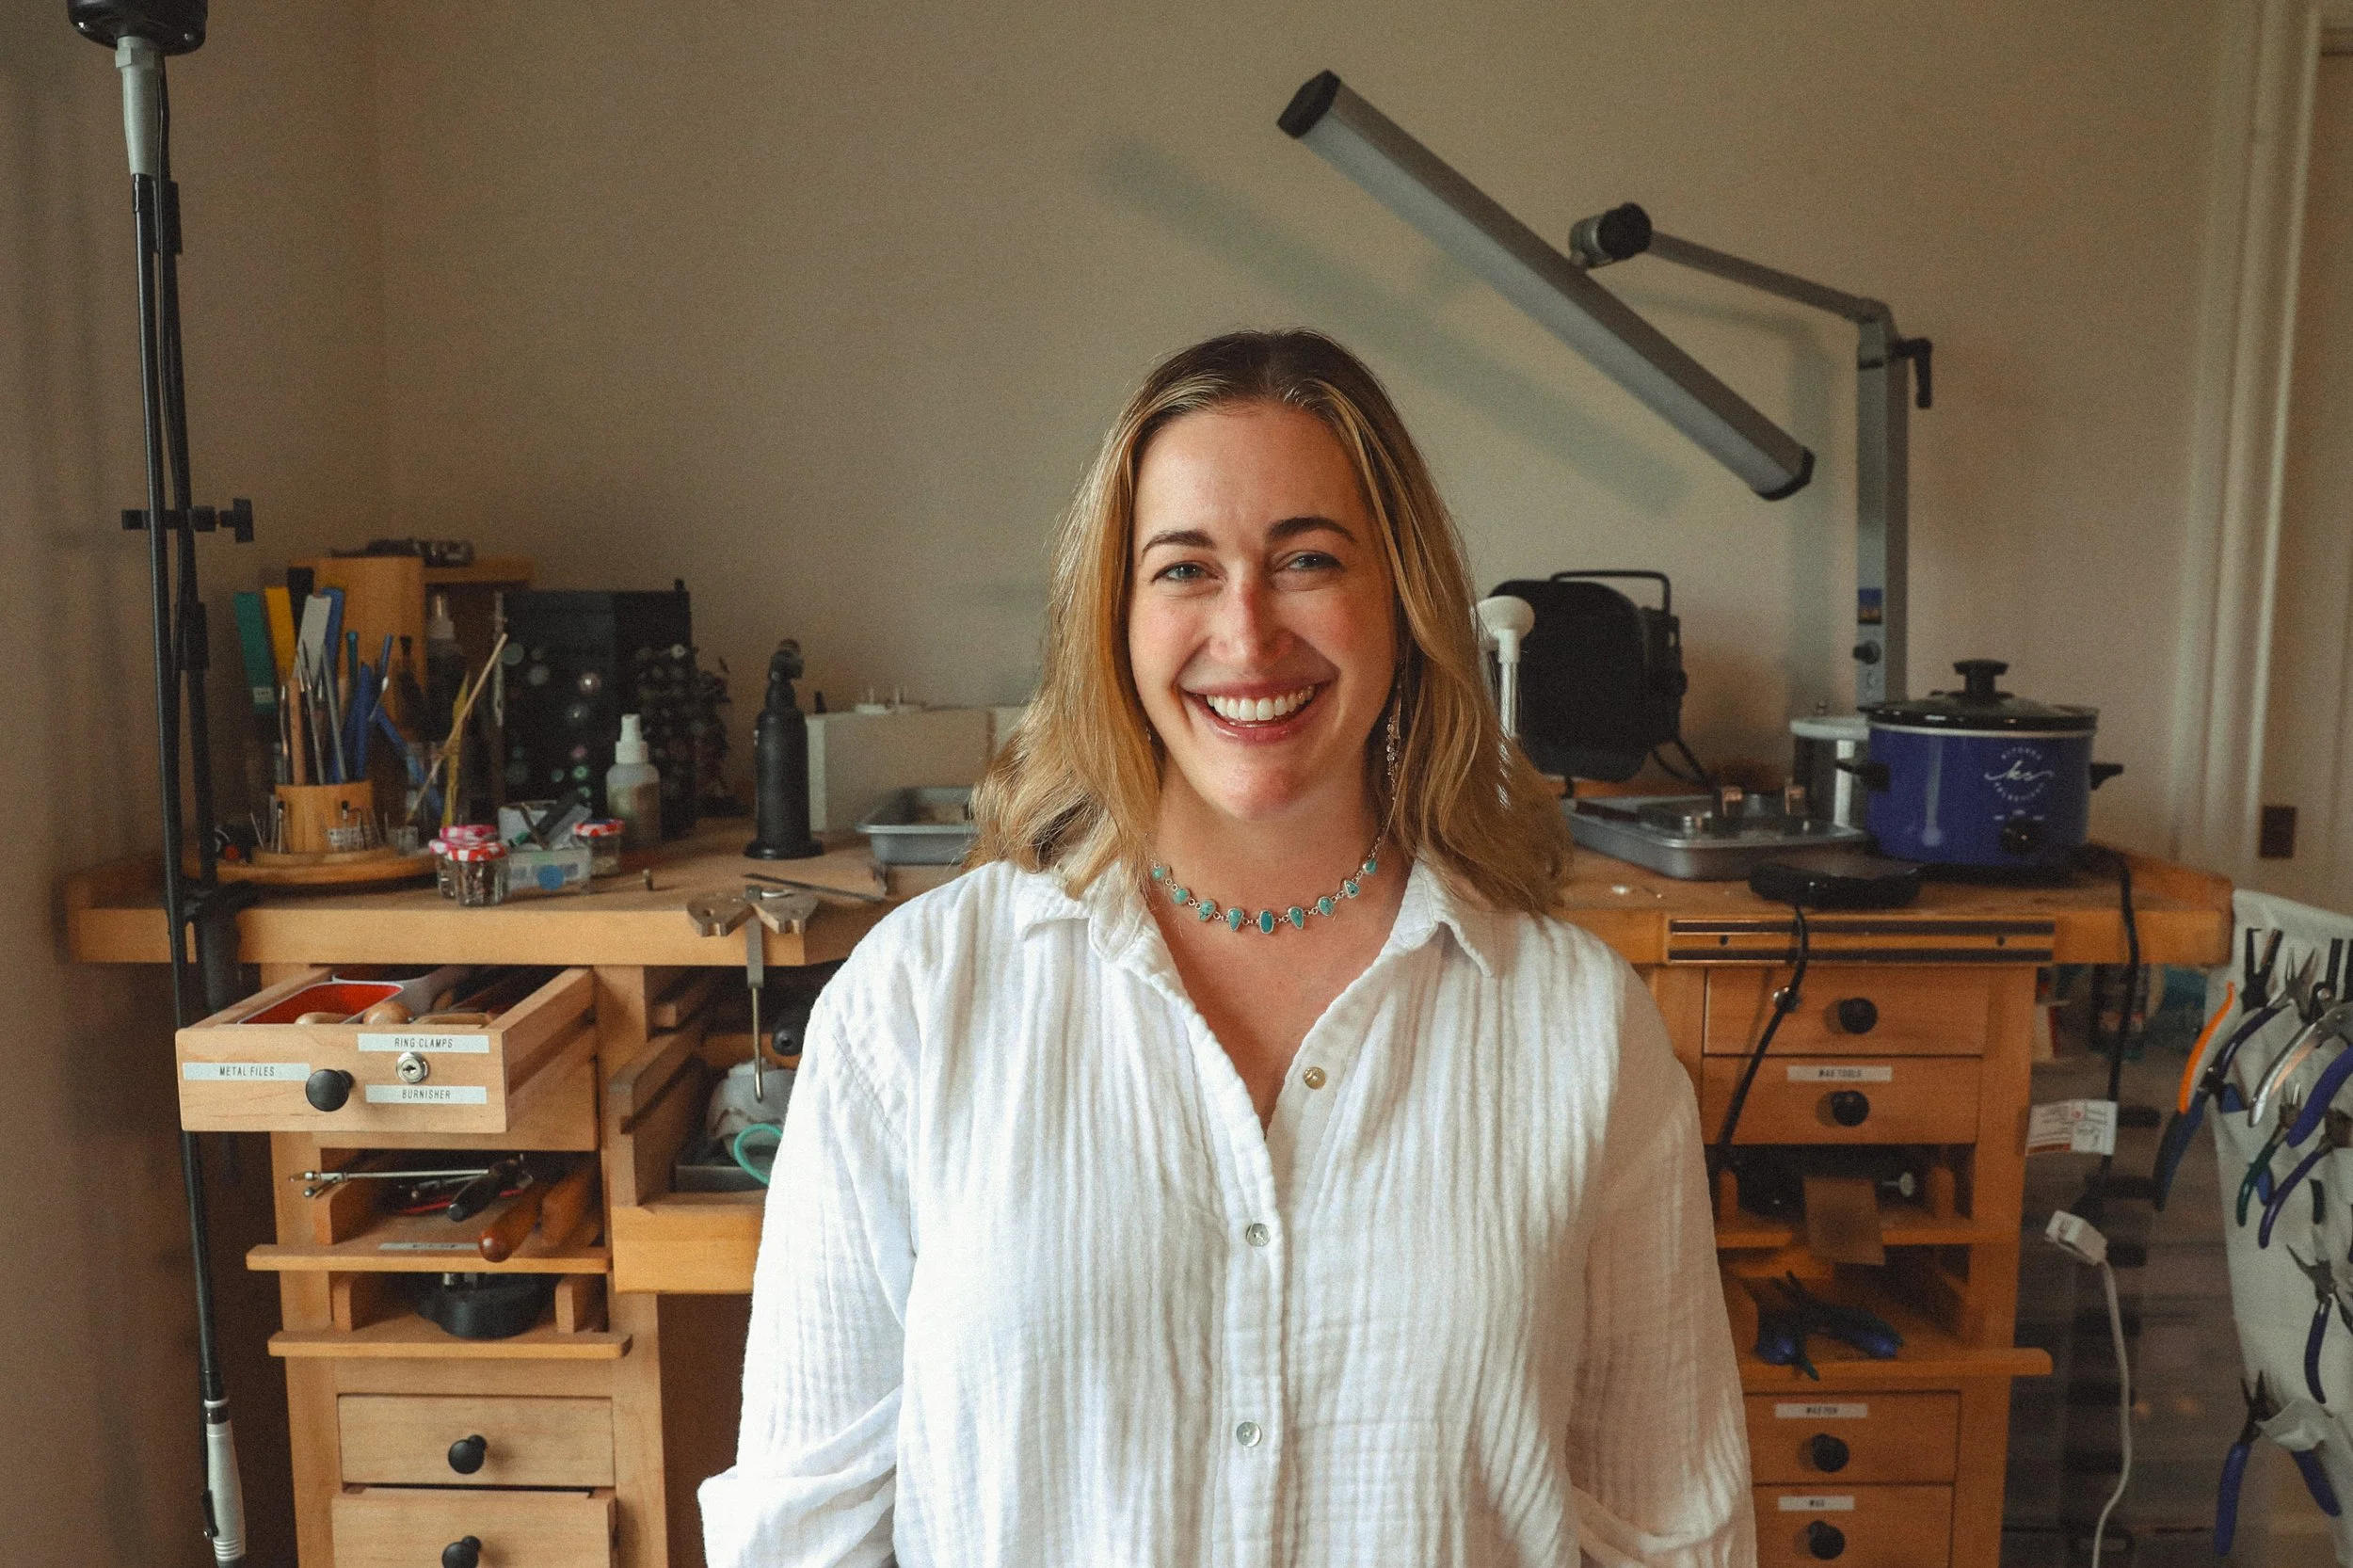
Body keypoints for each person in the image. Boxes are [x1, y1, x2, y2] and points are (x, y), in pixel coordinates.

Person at [700, 329, 1752, 1567]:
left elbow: (1671, 1534)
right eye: (1185, 568)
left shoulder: (1578, 1027)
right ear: (1118, 617)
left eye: (1308, 559)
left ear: (1405, 600)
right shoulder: (916, 1003)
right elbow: (800, 1538)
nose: (1248, 635)